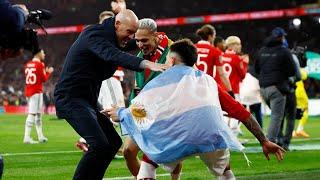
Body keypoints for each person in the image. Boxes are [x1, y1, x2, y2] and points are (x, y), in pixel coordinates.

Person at [105, 39, 285, 180]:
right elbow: (241, 112)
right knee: (225, 171)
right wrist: (264, 141)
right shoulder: (209, 81)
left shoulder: (165, 80)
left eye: (168, 58)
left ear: (172, 60)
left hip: (176, 138)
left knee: (147, 163)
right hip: (211, 137)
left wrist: (120, 113)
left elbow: (143, 108)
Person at [54, 10, 168, 180]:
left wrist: (155, 38)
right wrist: (148, 64)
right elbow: (113, 54)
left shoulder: (115, 38)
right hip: (71, 98)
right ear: (117, 24)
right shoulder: (94, 35)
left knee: (112, 143)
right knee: (99, 145)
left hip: (87, 101)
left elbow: (131, 43)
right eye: (129, 32)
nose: (131, 37)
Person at [123, 18, 182, 180]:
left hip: (167, 112)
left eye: (144, 40)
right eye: (137, 41)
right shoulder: (142, 55)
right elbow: (138, 87)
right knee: (128, 151)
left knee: (170, 153)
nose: (141, 44)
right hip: (143, 111)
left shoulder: (173, 51)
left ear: (155, 36)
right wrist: (129, 112)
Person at [255, 27, 296, 144]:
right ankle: (270, 141)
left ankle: (279, 140)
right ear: (280, 37)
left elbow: (257, 69)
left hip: (263, 89)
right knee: (277, 116)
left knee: (276, 115)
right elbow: (292, 71)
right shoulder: (284, 51)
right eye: (283, 36)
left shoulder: (262, 50)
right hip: (277, 87)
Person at [23, 49, 53, 144]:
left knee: (38, 114)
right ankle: (26, 137)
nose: (44, 54)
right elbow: (44, 79)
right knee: (32, 114)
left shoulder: (27, 64)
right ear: (38, 54)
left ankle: (40, 136)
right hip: (36, 92)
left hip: (29, 91)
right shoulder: (40, 64)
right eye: (43, 52)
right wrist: (48, 72)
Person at [221, 36, 249, 136]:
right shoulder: (236, 58)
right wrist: (245, 64)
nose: (240, 46)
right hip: (234, 90)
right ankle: (233, 139)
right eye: (238, 44)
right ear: (232, 45)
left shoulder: (221, 55)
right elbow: (242, 75)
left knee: (224, 114)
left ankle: (224, 138)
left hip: (222, 89)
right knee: (235, 113)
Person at [195, 24, 233, 95]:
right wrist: (230, 91)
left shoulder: (192, 48)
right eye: (214, 36)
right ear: (210, 36)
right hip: (206, 87)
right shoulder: (215, 51)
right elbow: (222, 74)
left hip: (192, 86)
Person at [293, 68, 310, 138]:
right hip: (299, 91)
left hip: (291, 90)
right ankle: (299, 129)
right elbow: (304, 75)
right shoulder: (297, 68)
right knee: (305, 109)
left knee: (291, 111)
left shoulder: (285, 66)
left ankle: (292, 131)